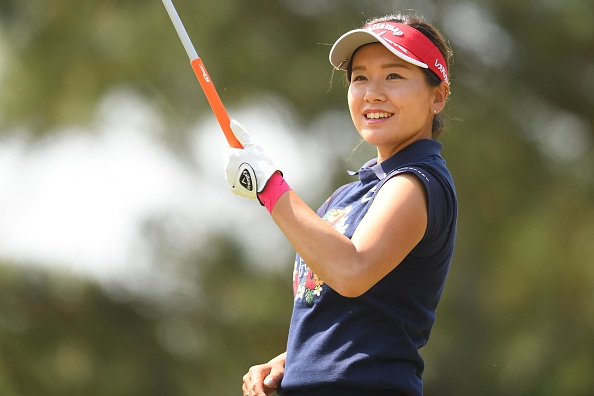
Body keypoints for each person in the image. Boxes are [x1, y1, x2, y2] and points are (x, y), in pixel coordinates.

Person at [225, 12, 457, 396]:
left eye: (394, 76)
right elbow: (347, 317)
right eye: (360, 77)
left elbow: (351, 270)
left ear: (437, 95)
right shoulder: (349, 195)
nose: (372, 92)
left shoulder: (417, 181)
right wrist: (289, 363)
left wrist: (269, 186)